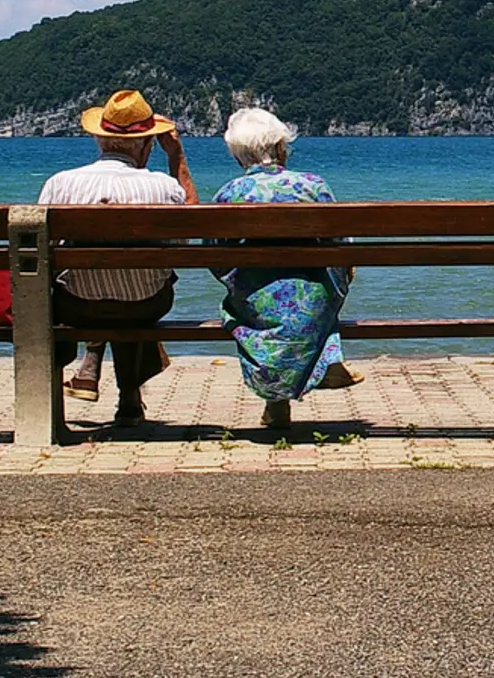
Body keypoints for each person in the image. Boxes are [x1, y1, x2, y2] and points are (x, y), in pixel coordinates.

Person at [39, 89, 199, 426]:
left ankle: (94, 366)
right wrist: (178, 159)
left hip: (77, 305)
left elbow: (43, 251)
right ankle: (129, 398)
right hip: (146, 304)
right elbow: (188, 234)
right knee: (137, 294)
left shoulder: (60, 183)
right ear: (146, 144)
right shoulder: (163, 186)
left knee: (100, 291)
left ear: (100, 139)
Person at [210, 107, 362, 428]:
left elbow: (214, 257)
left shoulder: (228, 194)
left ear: (239, 156)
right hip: (313, 302)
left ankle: (278, 404)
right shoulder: (313, 185)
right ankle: (328, 358)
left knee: (265, 292)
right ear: (280, 148)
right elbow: (342, 244)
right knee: (326, 281)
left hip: (256, 303)